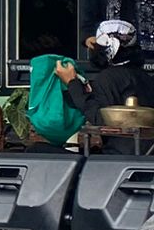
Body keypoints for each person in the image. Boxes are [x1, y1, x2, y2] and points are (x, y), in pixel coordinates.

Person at [56, 20, 154, 155]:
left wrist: (72, 83)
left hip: (118, 157)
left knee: (37, 149)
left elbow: (99, 118)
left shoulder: (108, 77)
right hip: (145, 156)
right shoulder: (145, 78)